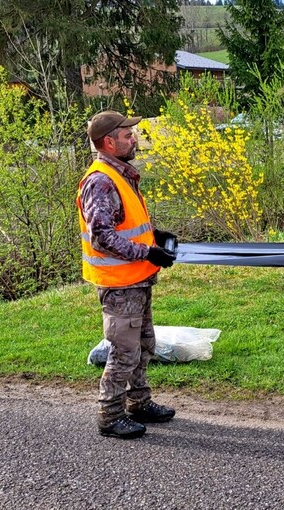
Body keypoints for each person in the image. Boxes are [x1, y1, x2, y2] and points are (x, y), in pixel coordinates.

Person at [76, 110, 178, 439]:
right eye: (127, 135)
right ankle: (109, 415)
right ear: (109, 142)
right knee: (124, 351)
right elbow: (103, 238)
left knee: (143, 344)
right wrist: (147, 252)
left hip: (136, 279)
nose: (133, 139)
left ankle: (138, 402)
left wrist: (154, 237)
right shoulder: (101, 180)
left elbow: (124, 227)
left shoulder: (120, 174)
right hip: (119, 285)